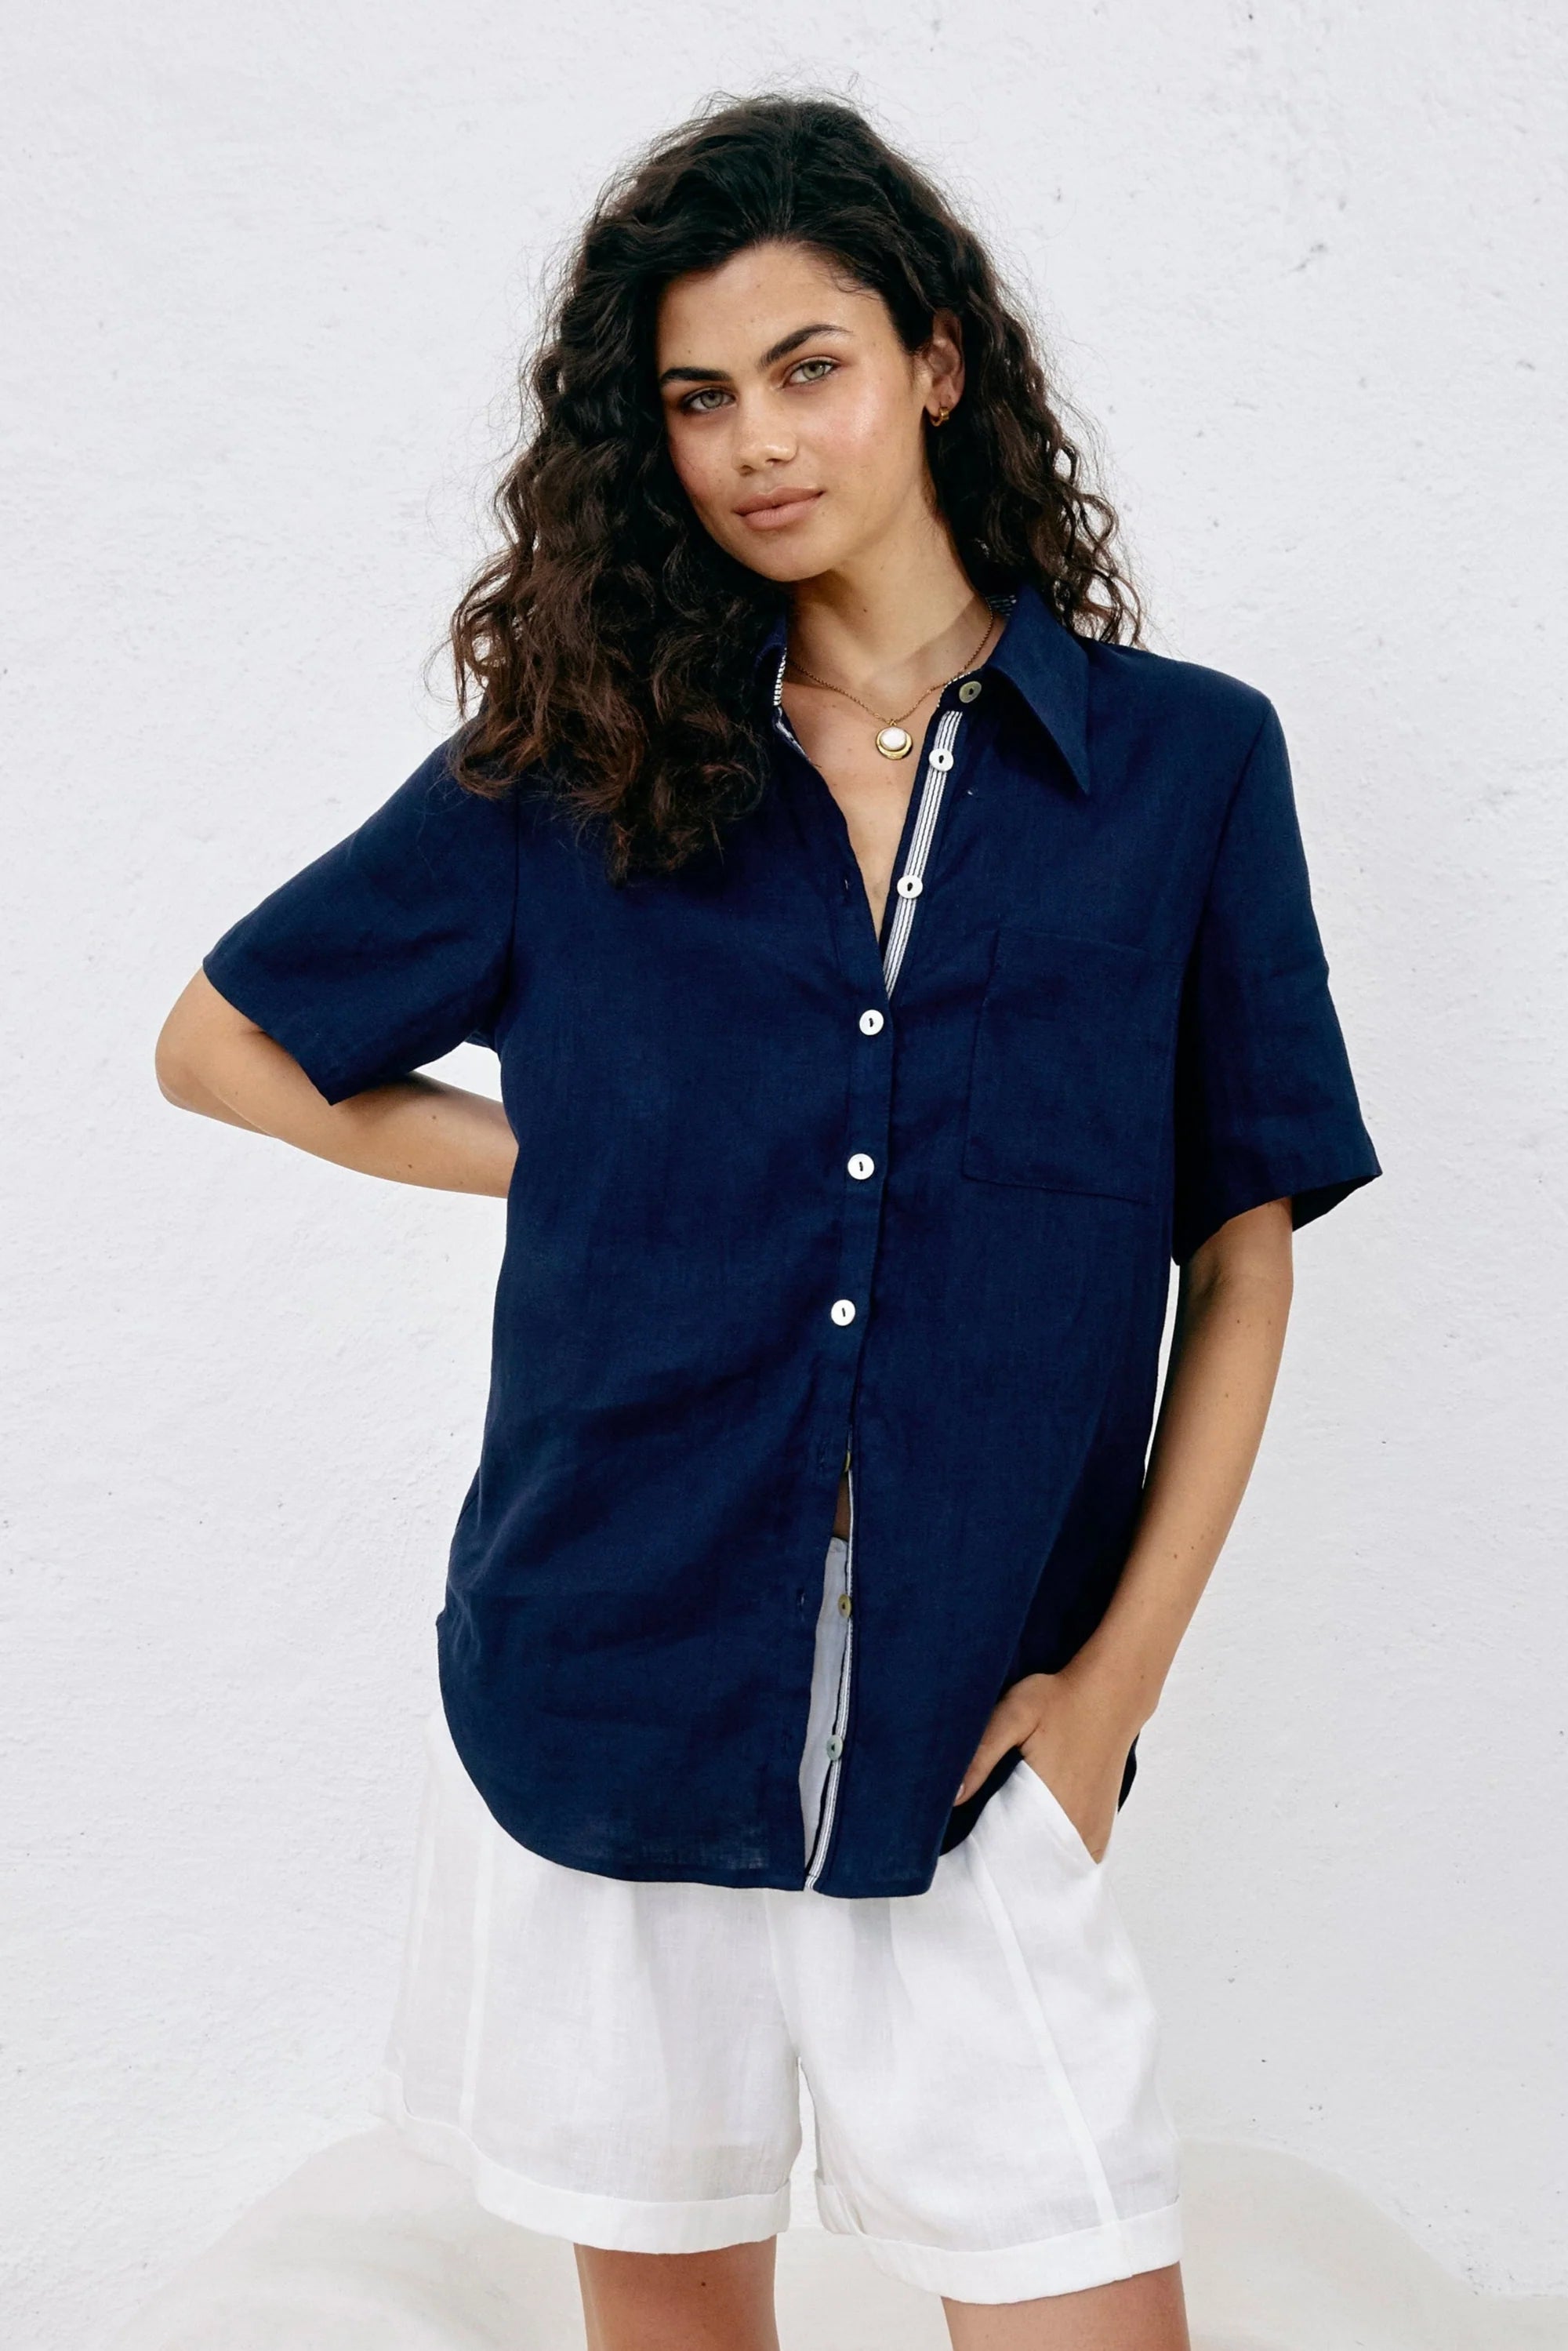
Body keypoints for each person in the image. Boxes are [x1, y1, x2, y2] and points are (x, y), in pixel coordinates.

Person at [154, 91, 1380, 2351]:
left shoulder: (1184, 769)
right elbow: (224, 1041)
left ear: (936, 362)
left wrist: (1112, 1695)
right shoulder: (583, 761)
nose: (756, 445)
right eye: (699, 398)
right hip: (612, 1677)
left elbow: (1245, 1254)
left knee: (1082, 2288)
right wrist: (572, 1158)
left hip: (977, 1715)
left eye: (809, 368)